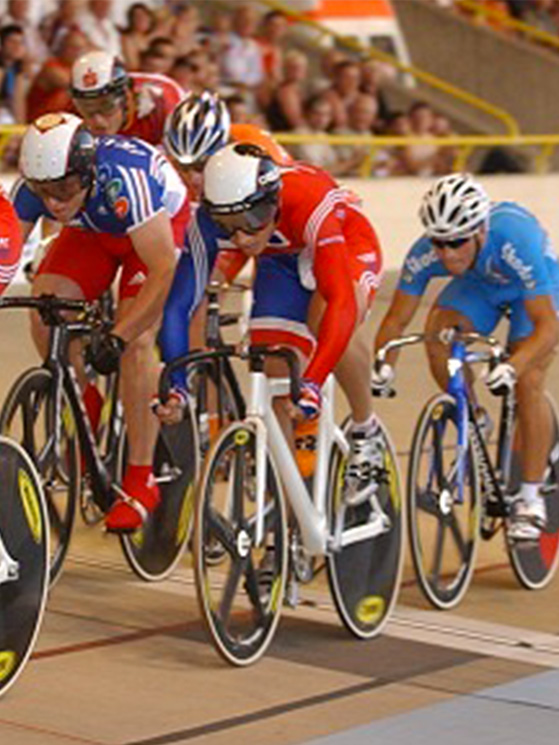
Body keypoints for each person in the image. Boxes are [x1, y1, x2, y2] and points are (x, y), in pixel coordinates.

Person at [13, 112, 190, 534]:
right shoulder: (36, 187)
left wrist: (118, 335)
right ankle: (83, 398)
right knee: (45, 305)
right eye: (45, 192)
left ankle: (141, 476)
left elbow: (162, 270)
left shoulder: (123, 178)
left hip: (152, 236)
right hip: (93, 227)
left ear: (87, 172)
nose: (55, 202)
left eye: (65, 188)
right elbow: (7, 257)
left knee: (137, 343)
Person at [373, 173, 559, 540]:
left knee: (529, 381)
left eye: (456, 242)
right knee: (437, 334)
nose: (446, 253)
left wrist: (513, 365)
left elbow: (548, 327)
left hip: (535, 292)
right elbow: (396, 318)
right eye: (438, 242)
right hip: (480, 286)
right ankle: (473, 414)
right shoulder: (426, 252)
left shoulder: (513, 241)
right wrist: (383, 366)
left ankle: (530, 497)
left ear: (479, 232)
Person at [201, 143, 385, 507]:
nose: (239, 235)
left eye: (249, 221)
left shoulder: (304, 199)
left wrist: (314, 382)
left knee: (325, 315)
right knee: (274, 365)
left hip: (344, 244)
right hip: (280, 258)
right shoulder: (235, 211)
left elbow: (340, 303)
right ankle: (289, 516)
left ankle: (367, 429)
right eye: (229, 225)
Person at [156, 91, 292, 424]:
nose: (192, 178)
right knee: (187, 299)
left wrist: (262, 308)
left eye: (200, 166)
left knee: (278, 316)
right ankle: (207, 411)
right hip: (212, 224)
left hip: (265, 226)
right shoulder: (164, 161)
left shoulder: (258, 152)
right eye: (183, 167)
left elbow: (277, 231)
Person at [70, 49, 184, 142]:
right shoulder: (67, 113)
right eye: (86, 108)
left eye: (107, 106)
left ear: (127, 98)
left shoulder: (164, 103)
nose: (98, 121)